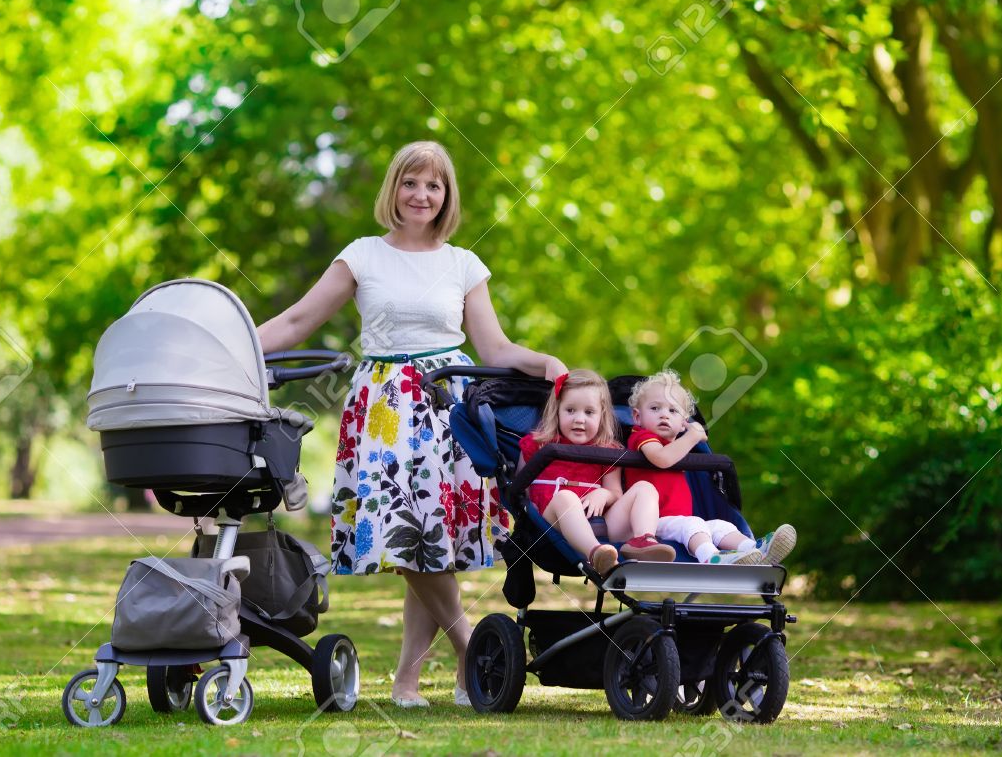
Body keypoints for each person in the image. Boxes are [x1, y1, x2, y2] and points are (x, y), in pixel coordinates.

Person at [256, 140, 566, 708]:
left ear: (447, 195)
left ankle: (406, 682)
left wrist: (543, 362)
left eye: (434, 185)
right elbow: (299, 319)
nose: (422, 194)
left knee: (432, 547)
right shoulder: (362, 256)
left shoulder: (463, 264)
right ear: (393, 190)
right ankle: (473, 656)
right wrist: (238, 343)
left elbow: (493, 345)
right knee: (407, 541)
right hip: (384, 409)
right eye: (411, 182)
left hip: (452, 405)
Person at [626, 370, 797, 565]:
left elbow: (672, 453)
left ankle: (756, 552)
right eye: (655, 408)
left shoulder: (678, 448)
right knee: (693, 523)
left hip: (679, 521)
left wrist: (690, 437)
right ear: (637, 417)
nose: (664, 414)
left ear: (683, 424)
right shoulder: (641, 436)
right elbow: (662, 459)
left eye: (673, 411)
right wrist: (694, 435)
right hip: (650, 526)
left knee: (720, 526)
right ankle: (710, 557)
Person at [517, 369, 676, 573]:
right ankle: (596, 554)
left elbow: (616, 493)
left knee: (645, 488)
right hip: (554, 525)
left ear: (602, 416)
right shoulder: (537, 445)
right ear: (557, 411)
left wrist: (604, 493)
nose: (579, 419)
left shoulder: (608, 451)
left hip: (601, 523)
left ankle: (644, 540)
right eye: (570, 410)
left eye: (589, 412)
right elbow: (521, 492)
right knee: (566, 497)